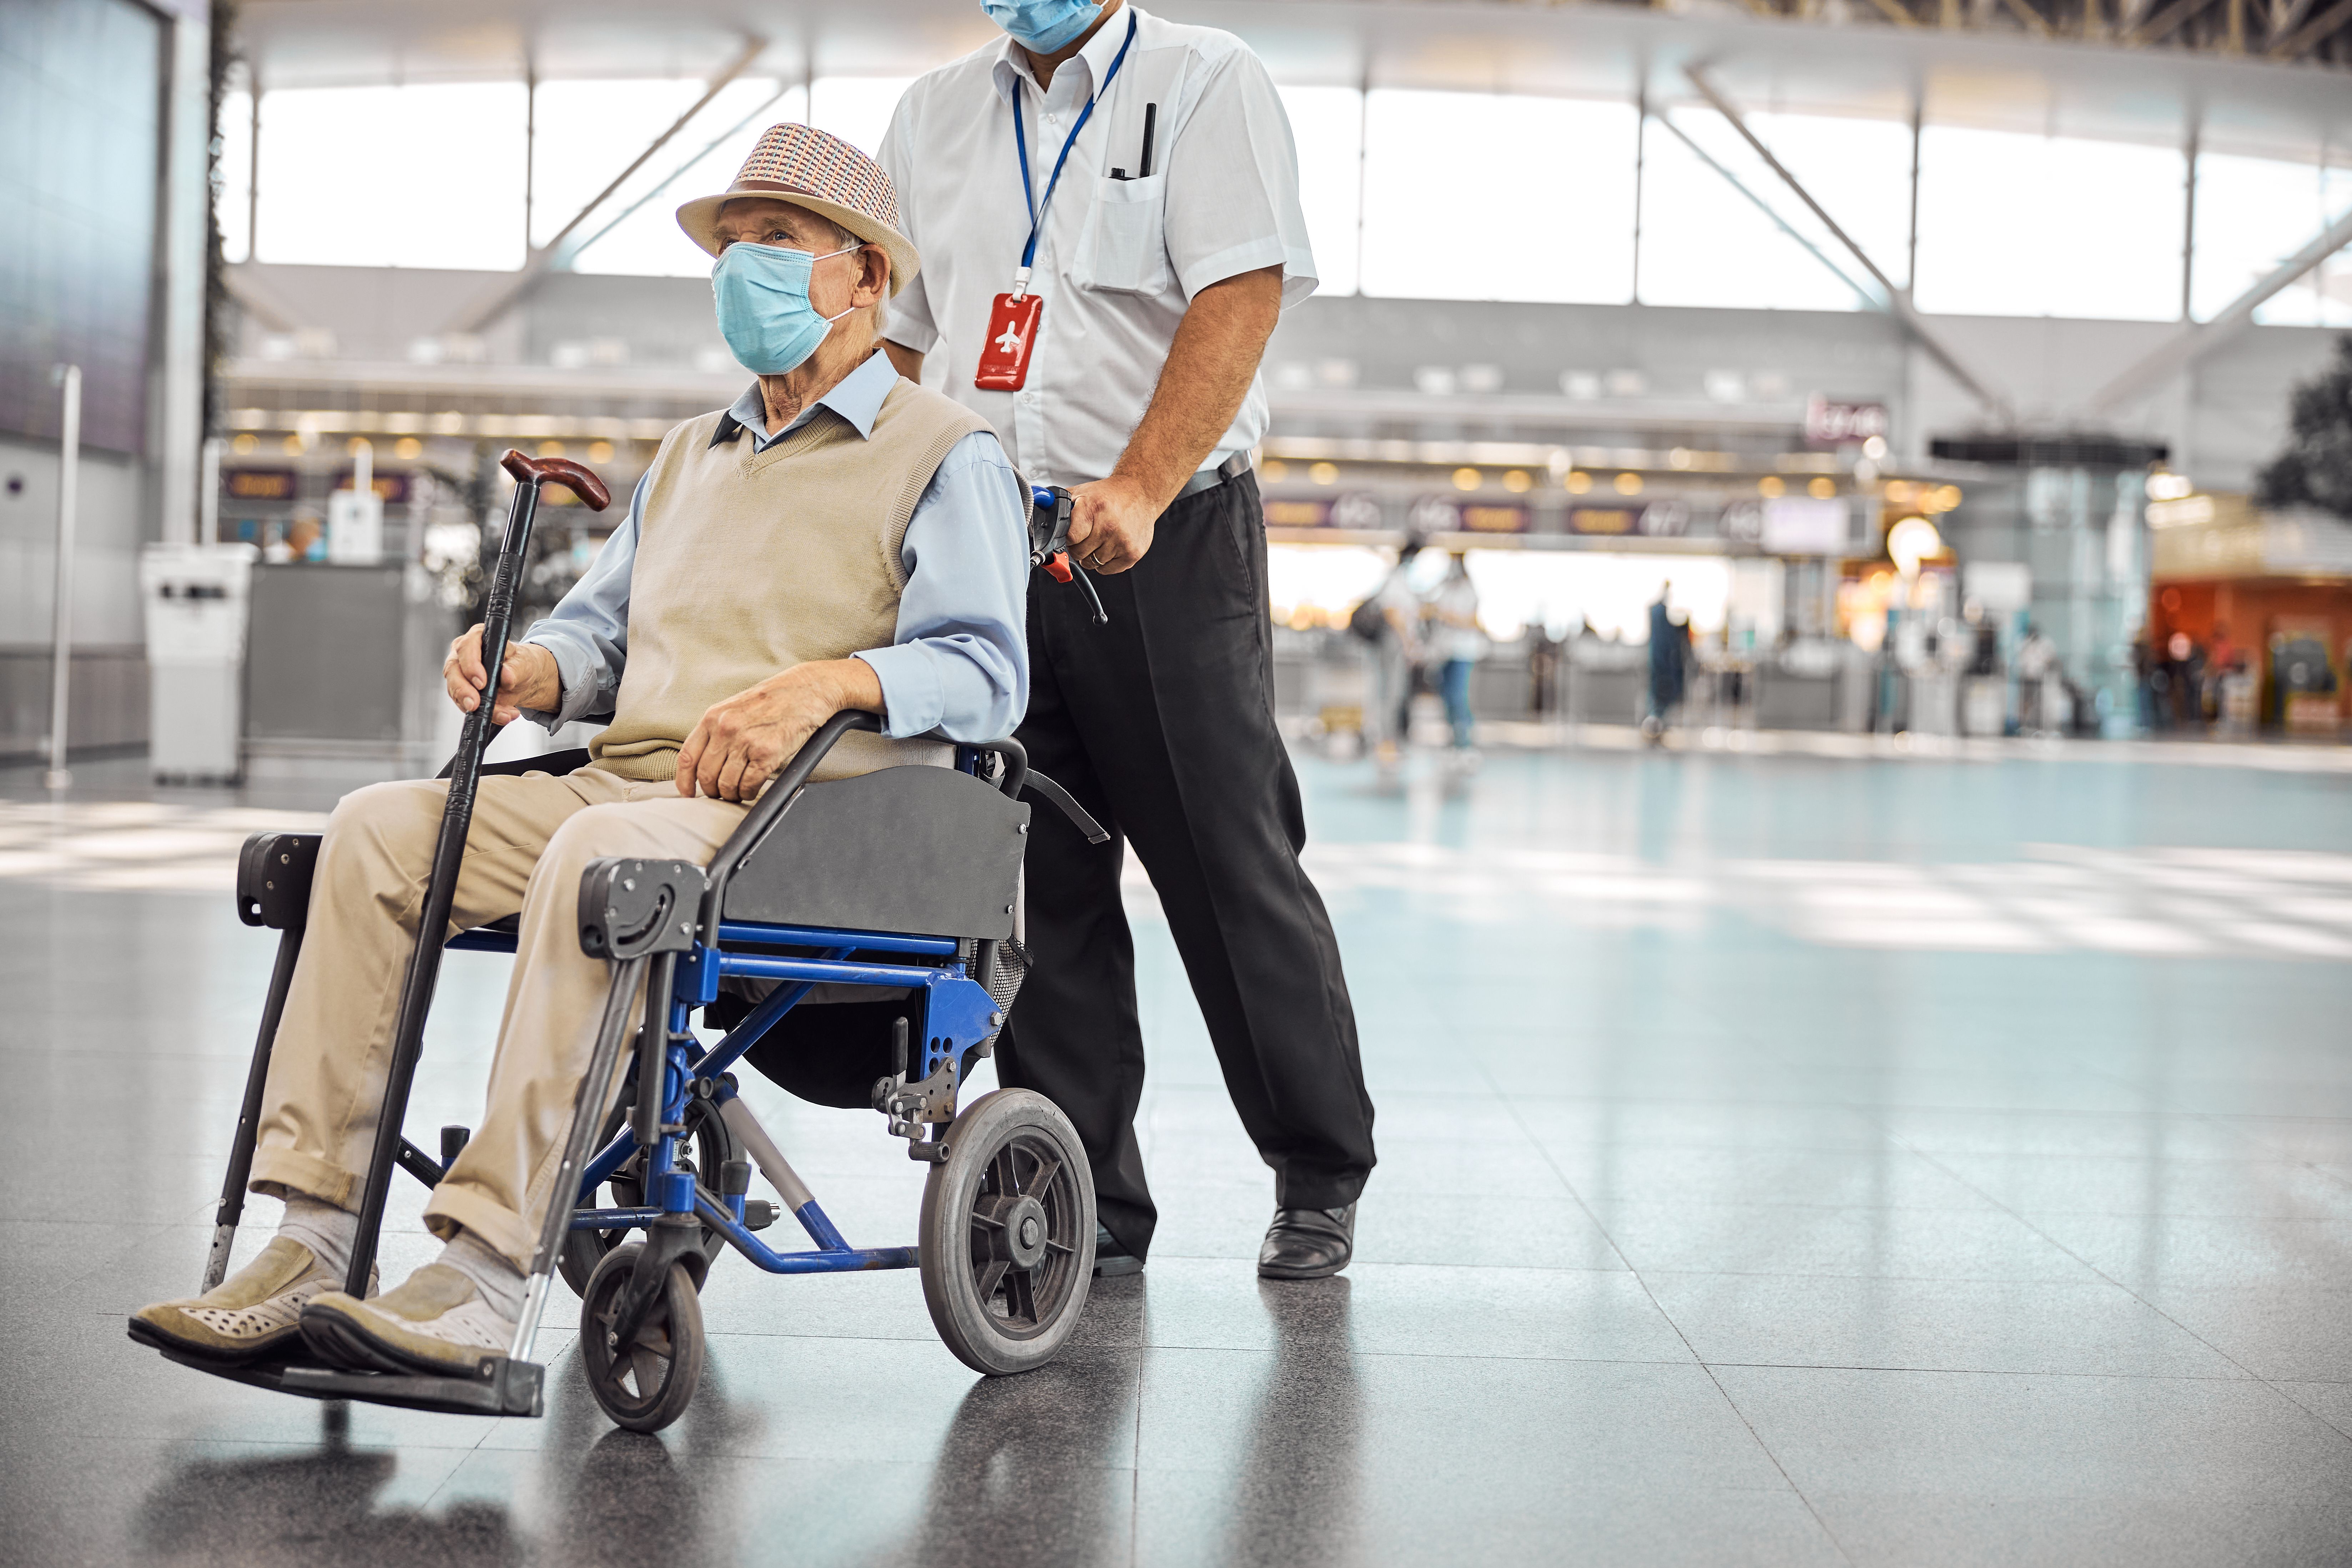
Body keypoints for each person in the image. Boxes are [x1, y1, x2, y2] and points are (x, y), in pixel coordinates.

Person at [132, 127, 1032, 1373]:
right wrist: (540, 668)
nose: (742, 270)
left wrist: (828, 683)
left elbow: (987, 674)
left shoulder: (946, 452)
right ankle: (311, 1236)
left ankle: (483, 1272)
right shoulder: (687, 455)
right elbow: (600, 637)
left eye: (775, 242)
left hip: (811, 811)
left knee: (600, 854)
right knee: (377, 829)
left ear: (864, 277)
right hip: (640, 780)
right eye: (730, 246)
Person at [877, 0, 1375, 1280]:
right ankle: (1084, 1194)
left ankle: (1318, 1167)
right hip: (991, 544)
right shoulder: (931, 117)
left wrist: (1144, 487)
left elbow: (1240, 292)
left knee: (1226, 856)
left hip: (1167, 536)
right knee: (1030, 878)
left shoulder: (1204, 81)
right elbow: (901, 336)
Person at [1356, 538, 1423, 777]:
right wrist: (1407, 642)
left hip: (1396, 643)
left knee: (1394, 693)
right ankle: (1385, 742)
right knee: (1390, 693)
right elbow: (1392, 611)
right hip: (1392, 642)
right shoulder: (1397, 580)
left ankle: (1388, 741)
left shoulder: (1401, 580)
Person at [1427, 551, 1485, 753]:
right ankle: (1452, 739)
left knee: (1459, 697)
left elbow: (1473, 622)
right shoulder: (1445, 590)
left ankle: (1465, 743)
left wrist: (1448, 616)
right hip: (1445, 652)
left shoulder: (1469, 591)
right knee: (1446, 697)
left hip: (1464, 652)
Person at [1643, 581, 1688, 743]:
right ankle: (1655, 722)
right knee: (1660, 695)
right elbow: (1668, 643)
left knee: (1661, 696)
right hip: (1662, 662)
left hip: (1661, 661)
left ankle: (1656, 721)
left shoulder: (1659, 613)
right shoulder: (1659, 613)